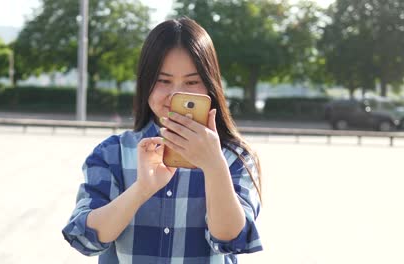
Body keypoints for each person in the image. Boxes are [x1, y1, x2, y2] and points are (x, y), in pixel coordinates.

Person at [62, 17, 263, 263]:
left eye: (192, 81)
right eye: (163, 80)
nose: (175, 94)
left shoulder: (233, 157)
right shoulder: (111, 153)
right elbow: (86, 238)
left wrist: (214, 166)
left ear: (210, 86)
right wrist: (142, 189)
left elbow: (232, 239)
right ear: (145, 82)